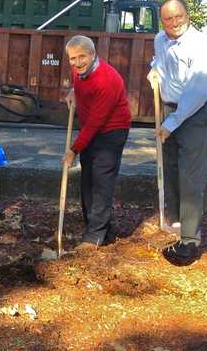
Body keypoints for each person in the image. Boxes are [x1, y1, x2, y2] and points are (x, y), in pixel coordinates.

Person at [148, 0, 207, 266]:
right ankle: (176, 228)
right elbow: (159, 61)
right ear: (162, 20)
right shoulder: (160, 39)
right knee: (172, 172)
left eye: (179, 16)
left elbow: (197, 94)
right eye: (168, 19)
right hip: (171, 109)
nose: (174, 22)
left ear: (187, 16)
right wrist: (154, 70)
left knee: (190, 177)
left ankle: (189, 243)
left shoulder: (204, 47)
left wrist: (170, 124)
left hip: (197, 114)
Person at [63, 35, 131, 250]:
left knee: (101, 181)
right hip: (92, 129)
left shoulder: (106, 79)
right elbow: (81, 86)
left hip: (111, 131)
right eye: (72, 59)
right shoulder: (79, 71)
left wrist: (74, 149)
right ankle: (102, 230)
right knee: (88, 180)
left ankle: (94, 237)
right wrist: (74, 91)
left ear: (93, 55)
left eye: (81, 57)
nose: (77, 63)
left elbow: (95, 122)